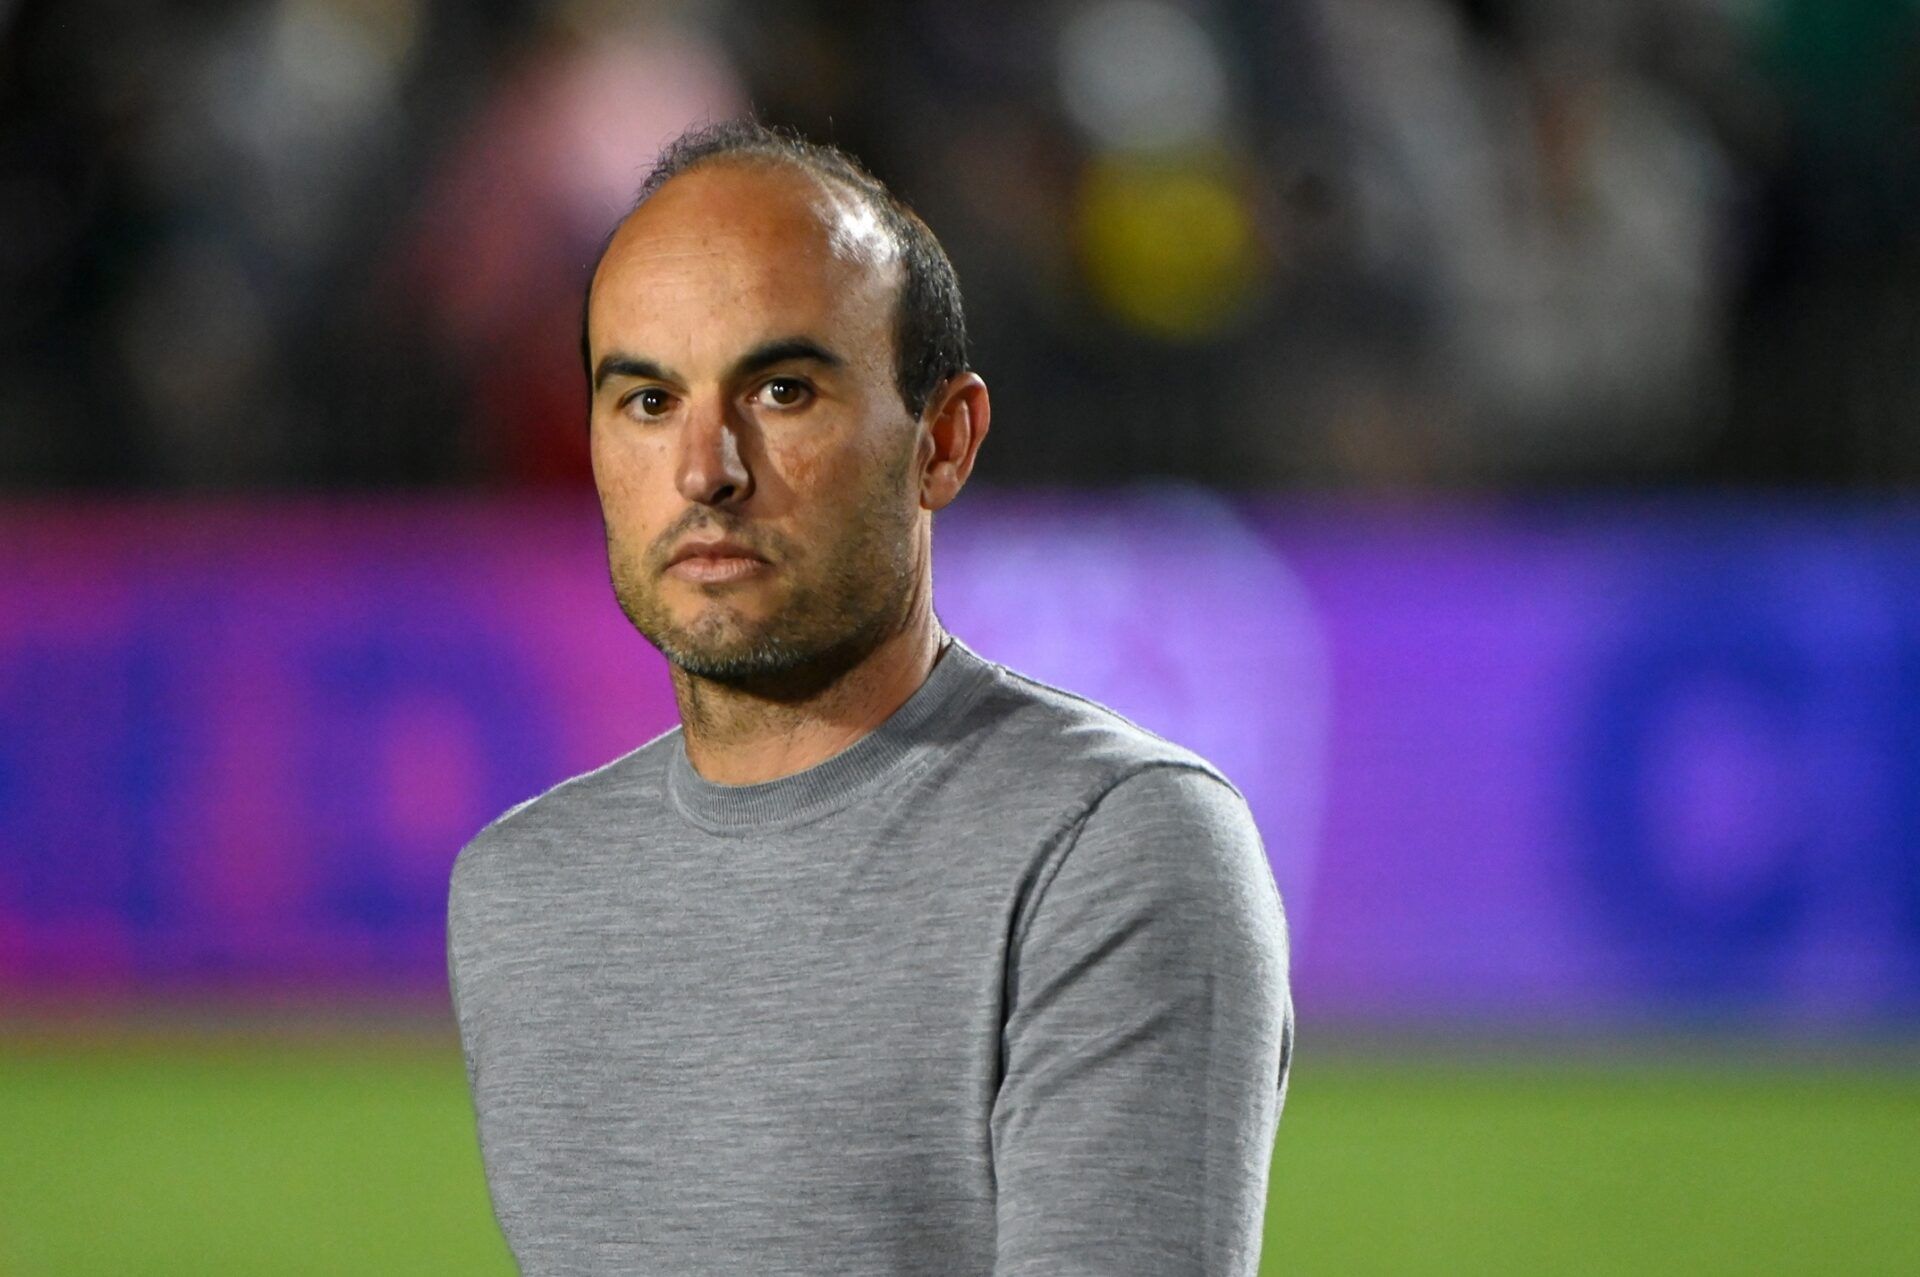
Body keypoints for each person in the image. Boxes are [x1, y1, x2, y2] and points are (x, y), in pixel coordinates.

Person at [445, 118, 1293, 1275]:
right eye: (647, 401)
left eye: (782, 390)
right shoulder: (520, 893)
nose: (706, 469)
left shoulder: (1113, 848)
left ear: (943, 441)